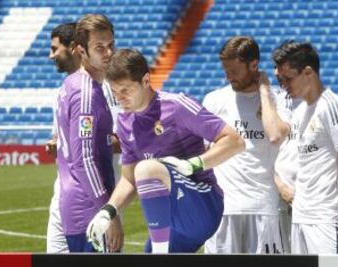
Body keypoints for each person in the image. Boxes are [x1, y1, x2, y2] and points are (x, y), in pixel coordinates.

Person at [86, 48, 245, 253]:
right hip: (171, 218)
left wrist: (192, 164)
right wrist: (108, 211)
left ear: (145, 81)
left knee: (147, 169)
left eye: (125, 90)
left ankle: (159, 260)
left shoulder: (176, 106)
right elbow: (128, 179)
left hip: (202, 204)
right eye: (115, 93)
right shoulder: (125, 122)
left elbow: (235, 141)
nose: (119, 99)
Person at [203, 36, 291, 254]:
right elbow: (204, 153)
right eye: (226, 70)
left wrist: (264, 91)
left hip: (263, 207)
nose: (228, 76)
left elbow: (278, 137)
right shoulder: (214, 100)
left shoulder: (280, 101)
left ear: (254, 65)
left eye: (234, 70)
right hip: (223, 209)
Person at [272, 40, 338, 254]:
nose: (284, 85)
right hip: (300, 215)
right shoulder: (300, 112)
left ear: (308, 72)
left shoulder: (332, 106)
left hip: (328, 218)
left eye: (288, 78)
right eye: (280, 80)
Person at [56, 14, 121, 252]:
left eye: (111, 45)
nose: (109, 53)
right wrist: (108, 212)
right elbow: (83, 159)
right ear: (81, 51)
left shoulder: (76, 84)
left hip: (83, 205)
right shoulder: (86, 92)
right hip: (89, 209)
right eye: (99, 48)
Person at [46, 22, 80, 253]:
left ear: (74, 47)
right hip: (62, 194)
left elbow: (121, 140)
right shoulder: (62, 91)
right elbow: (61, 135)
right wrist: (57, 142)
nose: (51, 56)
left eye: (55, 48)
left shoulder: (102, 88)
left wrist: (79, 142)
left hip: (91, 198)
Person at [274, 97, 302, 253]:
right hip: (277, 197)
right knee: (280, 263)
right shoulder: (268, 104)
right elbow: (257, 153)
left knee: (311, 261)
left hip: (311, 199)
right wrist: (281, 187)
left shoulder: (321, 104)